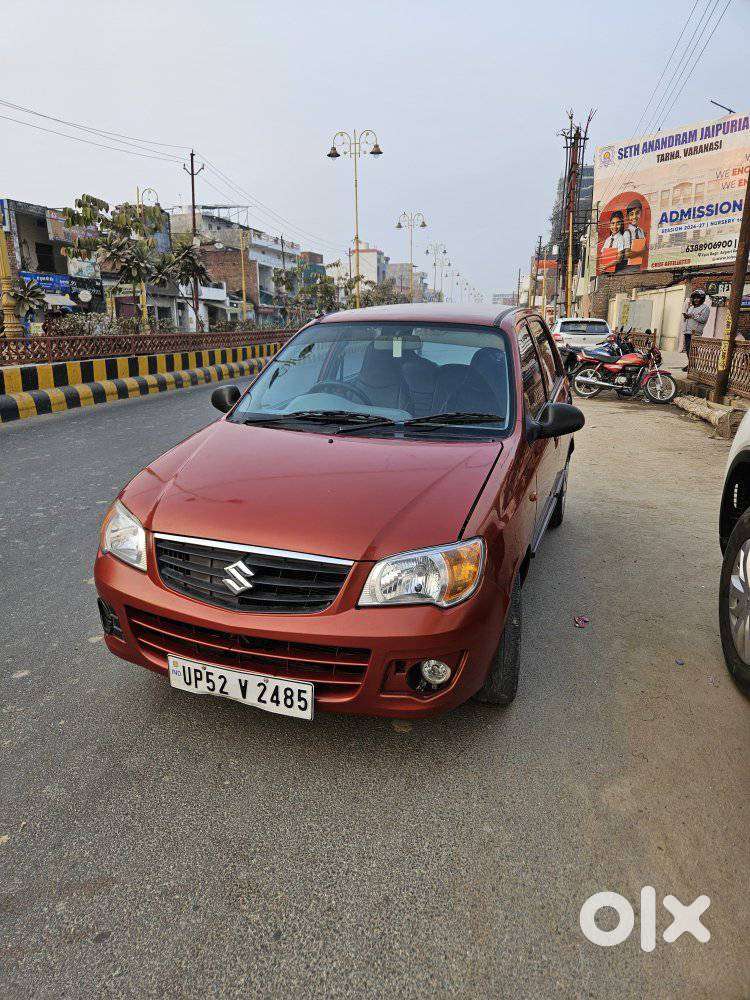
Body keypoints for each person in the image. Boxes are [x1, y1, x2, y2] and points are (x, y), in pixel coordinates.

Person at [681, 289, 711, 371]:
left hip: (695, 332)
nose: (696, 300)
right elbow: (689, 317)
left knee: (693, 350)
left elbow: (703, 319)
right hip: (687, 331)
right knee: (688, 349)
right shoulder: (691, 308)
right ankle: (691, 364)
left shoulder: (705, 308)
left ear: (702, 299)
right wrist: (686, 316)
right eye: (694, 298)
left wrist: (691, 316)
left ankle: (692, 366)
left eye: (698, 298)